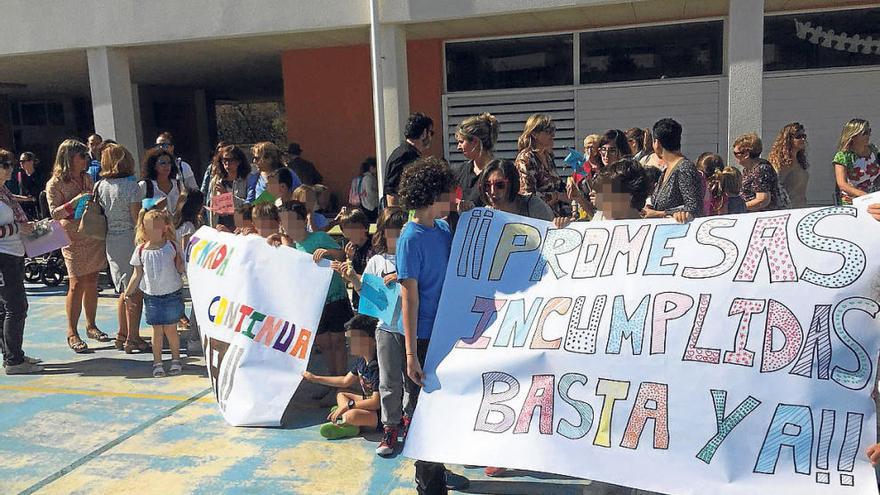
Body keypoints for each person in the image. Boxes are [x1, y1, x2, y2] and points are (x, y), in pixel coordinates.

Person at [396, 157, 468, 493]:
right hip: (423, 339)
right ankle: (430, 482)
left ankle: (438, 466)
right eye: (448, 195)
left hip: (446, 334)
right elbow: (409, 300)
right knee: (426, 412)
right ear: (429, 197)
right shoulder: (409, 240)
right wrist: (411, 355)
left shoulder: (441, 229)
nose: (452, 200)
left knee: (444, 408)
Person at [333, 206, 408, 456]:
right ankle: (390, 428)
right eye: (390, 232)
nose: (394, 237)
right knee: (388, 381)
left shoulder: (413, 257)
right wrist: (353, 277)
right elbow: (368, 296)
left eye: (399, 231)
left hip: (413, 328)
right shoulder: (377, 261)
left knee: (413, 381)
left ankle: (411, 424)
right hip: (385, 328)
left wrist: (402, 277)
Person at [269, 201, 351, 380]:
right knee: (324, 343)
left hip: (334, 297)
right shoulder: (289, 247)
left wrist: (327, 252)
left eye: (290, 220)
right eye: (283, 221)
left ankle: (342, 379)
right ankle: (333, 380)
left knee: (337, 341)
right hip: (313, 303)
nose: (286, 225)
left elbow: (341, 255)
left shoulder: (319, 237)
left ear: (301, 220)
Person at [46, 139, 109, 353]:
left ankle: (91, 325)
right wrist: (74, 202)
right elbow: (54, 213)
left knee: (92, 279)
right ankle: (72, 331)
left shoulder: (88, 177)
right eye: (81, 155)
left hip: (91, 232)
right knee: (76, 283)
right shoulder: (54, 183)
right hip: (72, 237)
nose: (86, 159)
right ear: (69, 157)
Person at [95, 143, 149, 354]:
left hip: (111, 239)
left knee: (123, 290)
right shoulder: (130, 185)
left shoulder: (100, 186)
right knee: (135, 291)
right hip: (129, 238)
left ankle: (122, 333)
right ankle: (133, 338)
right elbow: (136, 218)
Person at [124, 208, 186, 378]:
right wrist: (128, 294)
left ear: (166, 227)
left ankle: (175, 360)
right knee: (157, 331)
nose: (153, 232)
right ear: (143, 229)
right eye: (149, 228)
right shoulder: (141, 250)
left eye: (157, 228)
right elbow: (137, 275)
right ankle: (157, 362)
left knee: (171, 330)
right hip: (152, 296)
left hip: (172, 294)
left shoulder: (172, 246)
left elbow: (181, 269)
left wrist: (181, 264)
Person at [302, 319, 380, 439]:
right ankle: (347, 419)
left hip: (379, 413)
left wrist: (348, 406)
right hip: (366, 403)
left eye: (354, 339)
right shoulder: (361, 361)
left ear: (371, 341)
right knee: (341, 393)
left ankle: (344, 423)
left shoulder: (376, 367)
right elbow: (345, 381)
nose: (349, 343)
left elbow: (376, 403)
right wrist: (315, 378)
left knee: (351, 415)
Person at [0, 148, 41, 374]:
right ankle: (14, 360)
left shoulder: (4, 191)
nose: (10, 169)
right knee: (15, 308)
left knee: (8, 307)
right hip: (3, 256)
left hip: (14, 252)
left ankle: (13, 354)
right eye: (5, 165)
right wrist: (17, 228)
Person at [643, 118, 704, 222]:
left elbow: (695, 209)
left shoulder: (684, 168)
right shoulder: (666, 170)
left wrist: (659, 214)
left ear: (657, 143)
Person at [515, 114, 562, 213]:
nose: (553, 135)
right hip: (536, 218)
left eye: (554, 131)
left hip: (555, 216)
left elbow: (556, 185)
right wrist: (557, 196)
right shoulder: (526, 158)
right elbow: (528, 196)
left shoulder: (548, 156)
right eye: (548, 131)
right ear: (535, 134)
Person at [477, 159, 554, 221]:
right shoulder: (486, 215)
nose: (493, 191)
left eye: (499, 185)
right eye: (487, 185)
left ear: (512, 183)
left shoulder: (534, 206)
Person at [384, 112, 434, 206]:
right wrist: (397, 217)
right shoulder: (405, 156)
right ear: (424, 133)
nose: (431, 137)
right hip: (400, 217)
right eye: (431, 132)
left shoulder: (408, 153)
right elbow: (391, 192)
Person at [454, 113, 499, 207]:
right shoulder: (460, 171)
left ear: (475, 142)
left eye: (461, 142)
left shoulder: (500, 172)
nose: (458, 147)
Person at [833, 118, 879, 205]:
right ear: (853, 136)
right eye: (865, 133)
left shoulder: (873, 149)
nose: (869, 135)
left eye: (869, 131)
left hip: (873, 198)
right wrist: (866, 196)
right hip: (852, 202)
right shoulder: (843, 156)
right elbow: (842, 184)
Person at [336, 207, 373, 310]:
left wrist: (352, 275)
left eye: (353, 228)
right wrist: (348, 261)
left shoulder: (374, 249)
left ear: (365, 228)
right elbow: (346, 280)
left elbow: (373, 281)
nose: (350, 233)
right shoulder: (351, 250)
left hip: (373, 303)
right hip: (358, 303)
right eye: (345, 229)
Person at [208, 145, 251, 229]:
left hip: (241, 227)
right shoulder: (216, 181)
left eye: (230, 160)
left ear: (239, 161)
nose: (227, 163)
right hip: (222, 226)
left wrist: (227, 195)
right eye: (224, 160)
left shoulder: (247, 180)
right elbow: (212, 208)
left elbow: (249, 205)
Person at [733, 133, 779, 212]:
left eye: (736, 154)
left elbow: (762, 200)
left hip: (761, 218)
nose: (734, 157)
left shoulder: (761, 170)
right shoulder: (748, 169)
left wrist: (738, 207)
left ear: (746, 154)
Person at [769, 123, 810, 209]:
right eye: (798, 136)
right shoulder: (781, 163)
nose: (803, 139)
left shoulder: (800, 161)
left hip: (802, 208)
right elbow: (775, 187)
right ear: (788, 139)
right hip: (789, 210)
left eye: (804, 136)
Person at [139, 147, 186, 216]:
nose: (167, 166)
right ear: (154, 166)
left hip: (176, 226)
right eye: (162, 163)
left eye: (169, 163)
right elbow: (139, 212)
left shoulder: (179, 184)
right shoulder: (144, 185)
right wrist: (155, 206)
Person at [11, 152, 43, 219]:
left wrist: (26, 199)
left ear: (31, 162)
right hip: (24, 210)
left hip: (38, 210)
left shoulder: (39, 176)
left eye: (23, 161)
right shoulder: (21, 176)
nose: (21, 163)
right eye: (20, 161)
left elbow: (37, 196)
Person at [349, 158, 379, 222]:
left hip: (366, 204)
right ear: (371, 168)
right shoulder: (369, 178)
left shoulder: (365, 177)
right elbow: (370, 192)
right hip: (370, 206)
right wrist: (379, 195)